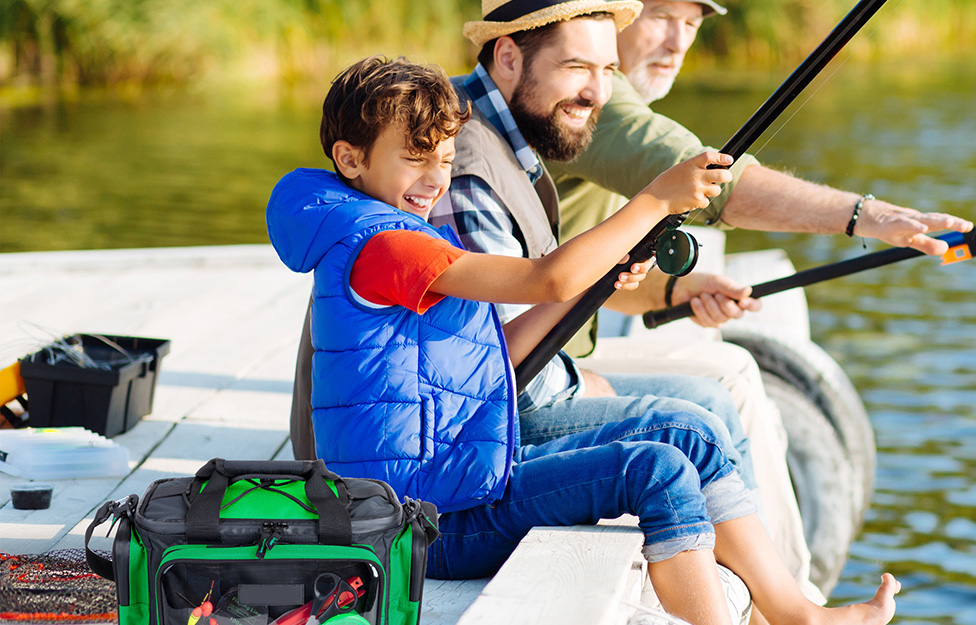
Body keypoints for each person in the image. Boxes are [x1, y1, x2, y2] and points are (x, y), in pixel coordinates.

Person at [266, 53, 900, 625]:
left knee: (693, 432)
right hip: (418, 526)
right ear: (350, 159)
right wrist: (655, 200)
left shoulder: (402, 231)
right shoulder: (385, 247)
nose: (436, 179)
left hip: (455, 473)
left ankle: (794, 612)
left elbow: (510, 344)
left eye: (447, 159)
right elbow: (546, 278)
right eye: (415, 157)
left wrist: (595, 280)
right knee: (657, 469)